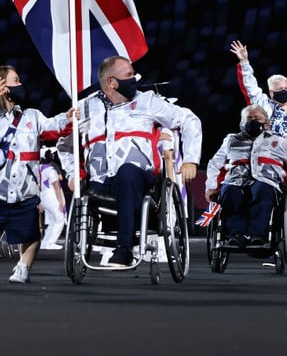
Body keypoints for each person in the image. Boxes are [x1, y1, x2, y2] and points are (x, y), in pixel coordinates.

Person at [58, 55, 202, 268]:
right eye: (129, 75)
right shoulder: (85, 107)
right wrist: (72, 174)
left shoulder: (148, 101)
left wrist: (191, 159)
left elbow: (190, 120)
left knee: (127, 172)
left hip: (140, 178)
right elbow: (64, 145)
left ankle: (124, 249)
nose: (134, 79)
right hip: (100, 182)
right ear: (111, 82)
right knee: (94, 189)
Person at [0, 65, 72, 283]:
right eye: (16, 80)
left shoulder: (32, 115)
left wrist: (68, 117)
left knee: (30, 234)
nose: (21, 84)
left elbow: (52, 128)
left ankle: (23, 268)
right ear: (2, 86)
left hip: (25, 191)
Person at [204, 104, 287, 249]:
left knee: (261, 190)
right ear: (242, 122)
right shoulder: (231, 140)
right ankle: (237, 235)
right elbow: (214, 165)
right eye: (249, 118)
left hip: (267, 182)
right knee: (228, 192)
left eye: (257, 118)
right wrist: (211, 187)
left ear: (266, 122)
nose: (253, 121)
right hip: (235, 181)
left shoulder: (279, 142)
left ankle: (258, 235)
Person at [230, 40, 287, 142]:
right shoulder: (265, 105)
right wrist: (244, 62)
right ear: (272, 92)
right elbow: (250, 87)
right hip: (271, 154)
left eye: (286, 88)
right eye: (280, 89)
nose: (284, 91)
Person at [39, 148, 66, 250]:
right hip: (51, 195)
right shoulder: (50, 170)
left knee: (53, 221)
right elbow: (56, 186)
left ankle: (45, 242)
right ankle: (50, 242)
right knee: (59, 220)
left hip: (43, 195)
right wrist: (60, 202)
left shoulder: (39, 168)